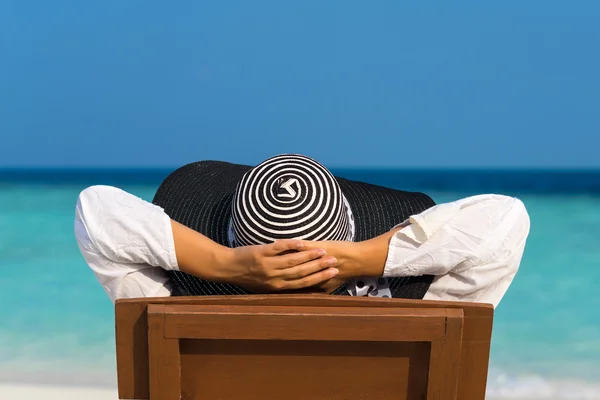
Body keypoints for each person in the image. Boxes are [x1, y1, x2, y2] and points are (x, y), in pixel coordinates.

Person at [75, 154, 530, 308]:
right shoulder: (420, 308)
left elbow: (97, 210)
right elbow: (504, 220)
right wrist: (354, 260)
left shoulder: (176, 303)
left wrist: (227, 265)